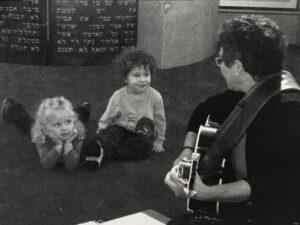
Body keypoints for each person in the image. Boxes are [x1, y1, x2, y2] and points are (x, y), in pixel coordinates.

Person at [165, 15, 300, 225]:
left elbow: (261, 185)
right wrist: (187, 152)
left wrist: (205, 193)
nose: (219, 67)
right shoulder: (252, 90)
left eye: (221, 61)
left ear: (237, 66)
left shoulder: (287, 112)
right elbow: (203, 111)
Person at [93, 48, 166, 163]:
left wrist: (159, 141)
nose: (142, 80)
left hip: (142, 133)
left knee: (144, 147)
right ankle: (100, 148)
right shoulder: (118, 95)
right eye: (136, 76)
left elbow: (160, 120)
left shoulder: (155, 96)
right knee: (111, 134)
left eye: (146, 75)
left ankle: (108, 152)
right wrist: (101, 129)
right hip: (121, 127)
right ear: (125, 78)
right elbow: (109, 114)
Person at [1, 96, 94, 170]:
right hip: (47, 138)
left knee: (75, 117)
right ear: (47, 128)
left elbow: (71, 165)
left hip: (73, 129)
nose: (64, 128)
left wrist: (68, 144)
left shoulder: (77, 131)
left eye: (67, 123)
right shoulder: (42, 134)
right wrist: (58, 146)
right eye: (57, 125)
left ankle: (83, 110)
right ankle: (12, 109)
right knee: (28, 125)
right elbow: (47, 164)